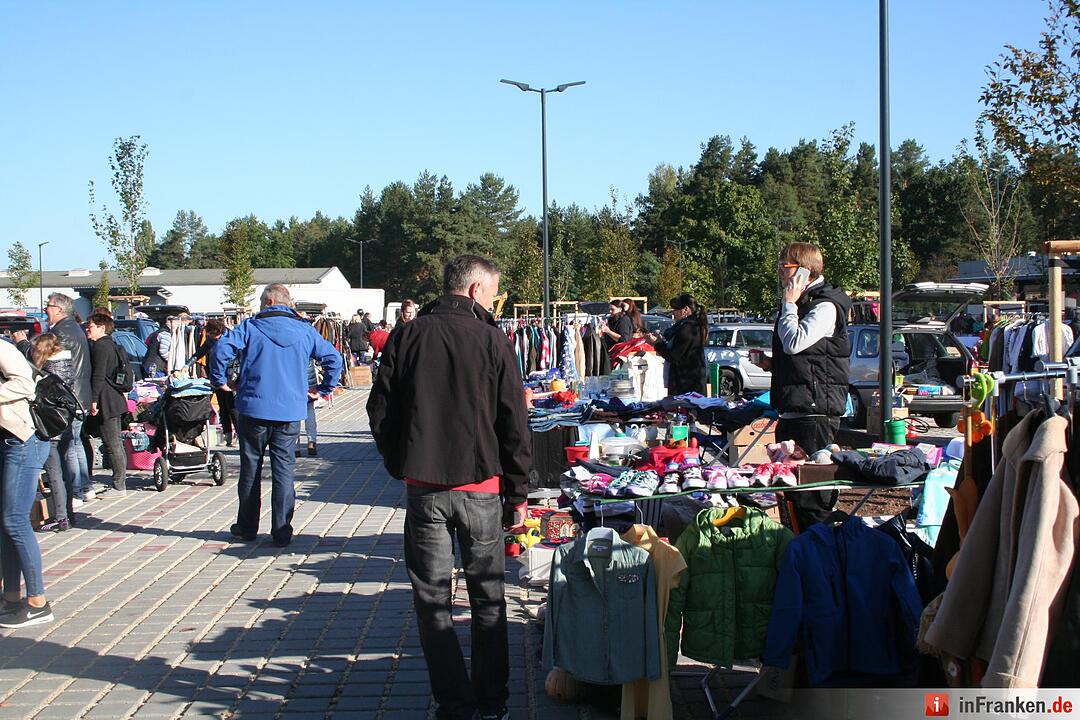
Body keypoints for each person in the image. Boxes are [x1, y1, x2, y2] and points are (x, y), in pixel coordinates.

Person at [367, 254, 531, 720]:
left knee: (432, 599)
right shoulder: (492, 339)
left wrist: (402, 462)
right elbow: (514, 422)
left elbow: (380, 410)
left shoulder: (408, 334)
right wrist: (517, 492)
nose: (494, 302)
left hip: (426, 486)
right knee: (487, 595)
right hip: (481, 486)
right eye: (493, 294)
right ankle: (491, 701)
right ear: (476, 289)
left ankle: (455, 703)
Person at [210, 284, 342, 547]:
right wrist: (322, 389)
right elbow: (334, 359)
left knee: (251, 469)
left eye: (261, 302)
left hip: (253, 409)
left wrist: (220, 381)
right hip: (290, 412)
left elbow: (220, 349)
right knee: (284, 471)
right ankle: (281, 530)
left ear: (269, 302)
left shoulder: (250, 327)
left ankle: (247, 527)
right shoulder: (305, 330)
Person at [769, 242, 851, 530]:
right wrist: (772, 364)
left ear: (805, 271)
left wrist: (789, 304)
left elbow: (794, 342)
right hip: (794, 410)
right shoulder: (805, 303)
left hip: (814, 415)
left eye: (785, 266)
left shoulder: (825, 306)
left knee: (812, 499)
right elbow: (804, 357)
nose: (780, 272)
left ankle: (820, 552)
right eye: (779, 266)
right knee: (791, 495)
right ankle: (799, 551)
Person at [0, 337, 54, 629]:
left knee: (15, 520)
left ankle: (38, 603)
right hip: (6, 441)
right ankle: (10, 598)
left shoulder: (2, 348)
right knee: (5, 523)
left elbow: (25, 383)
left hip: (23, 440)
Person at [44, 294, 92, 503]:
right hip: (80, 395)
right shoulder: (75, 328)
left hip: (69, 397)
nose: (45, 310)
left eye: (48, 306)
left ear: (59, 310)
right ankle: (86, 486)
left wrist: (24, 345)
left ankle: (76, 492)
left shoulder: (61, 332)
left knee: (68, 447)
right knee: (76, 443)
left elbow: (47, 362)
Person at [31, 333, 77, 531]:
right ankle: (69, 513)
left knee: (53, 471)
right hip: (65, 422)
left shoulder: (45, 370)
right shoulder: (67, 363)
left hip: (49, 426)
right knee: (65, 470)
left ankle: (60, 517)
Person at [86, 313, 129, 497]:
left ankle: (119, 485)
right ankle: (118, 482)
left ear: (102, 328)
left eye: (91, 326)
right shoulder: (111, 343)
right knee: (114, 442)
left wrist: (93, 399)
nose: (88, 330)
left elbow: (98, 374)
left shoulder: (101, 346)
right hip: (114, 398)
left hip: (107, 400)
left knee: (113, 444)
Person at [644, 293, 708, 396]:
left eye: (676, 309)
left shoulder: (688, 328)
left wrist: (656, 343)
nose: (674, 312)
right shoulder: (692, 325)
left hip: (686, 385)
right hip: (690, 383)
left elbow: (673, 356)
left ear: (685, 309)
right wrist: (660, 341)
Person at [191, 319, 238, 446]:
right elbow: (200, 352)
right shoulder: (211, 340)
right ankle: (227, 434)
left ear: (217, 331)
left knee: (232, 406)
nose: (209, 337)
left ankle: (239, 434)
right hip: (216, 375)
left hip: (229, 376)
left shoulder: (231, 338)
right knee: (222, 406)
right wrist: (188, 364)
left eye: (211, 334)